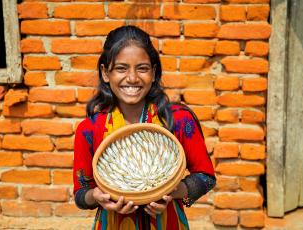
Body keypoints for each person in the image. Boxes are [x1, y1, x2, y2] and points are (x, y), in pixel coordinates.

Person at [73, 25, 216, 230]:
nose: (132, 78)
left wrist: (171, 192)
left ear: (154, 72)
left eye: (142, 68)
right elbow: (81, 193)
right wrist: (96, 197)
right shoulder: (89, 130)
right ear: (105, 73)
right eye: (121, 68)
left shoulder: (178, 120)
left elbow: (206, 177)